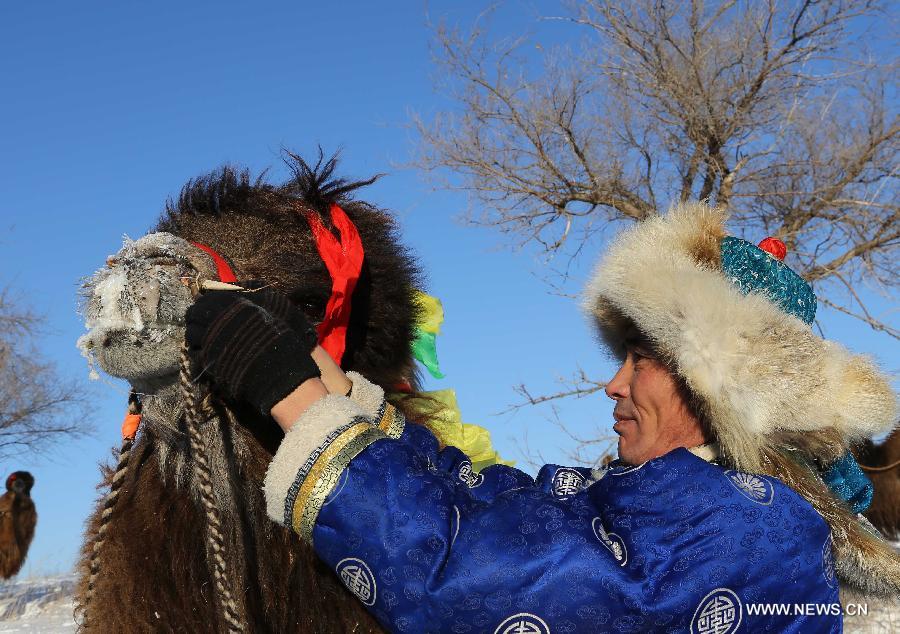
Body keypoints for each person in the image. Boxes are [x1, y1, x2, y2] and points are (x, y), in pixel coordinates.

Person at [185, 202, 899, 633]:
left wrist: (293, 398)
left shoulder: (753, 531)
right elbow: (498, 509)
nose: (613, 383)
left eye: (641, 358)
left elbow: (493, 588)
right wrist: (329, 381)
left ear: (722, 388)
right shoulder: (675, 502)